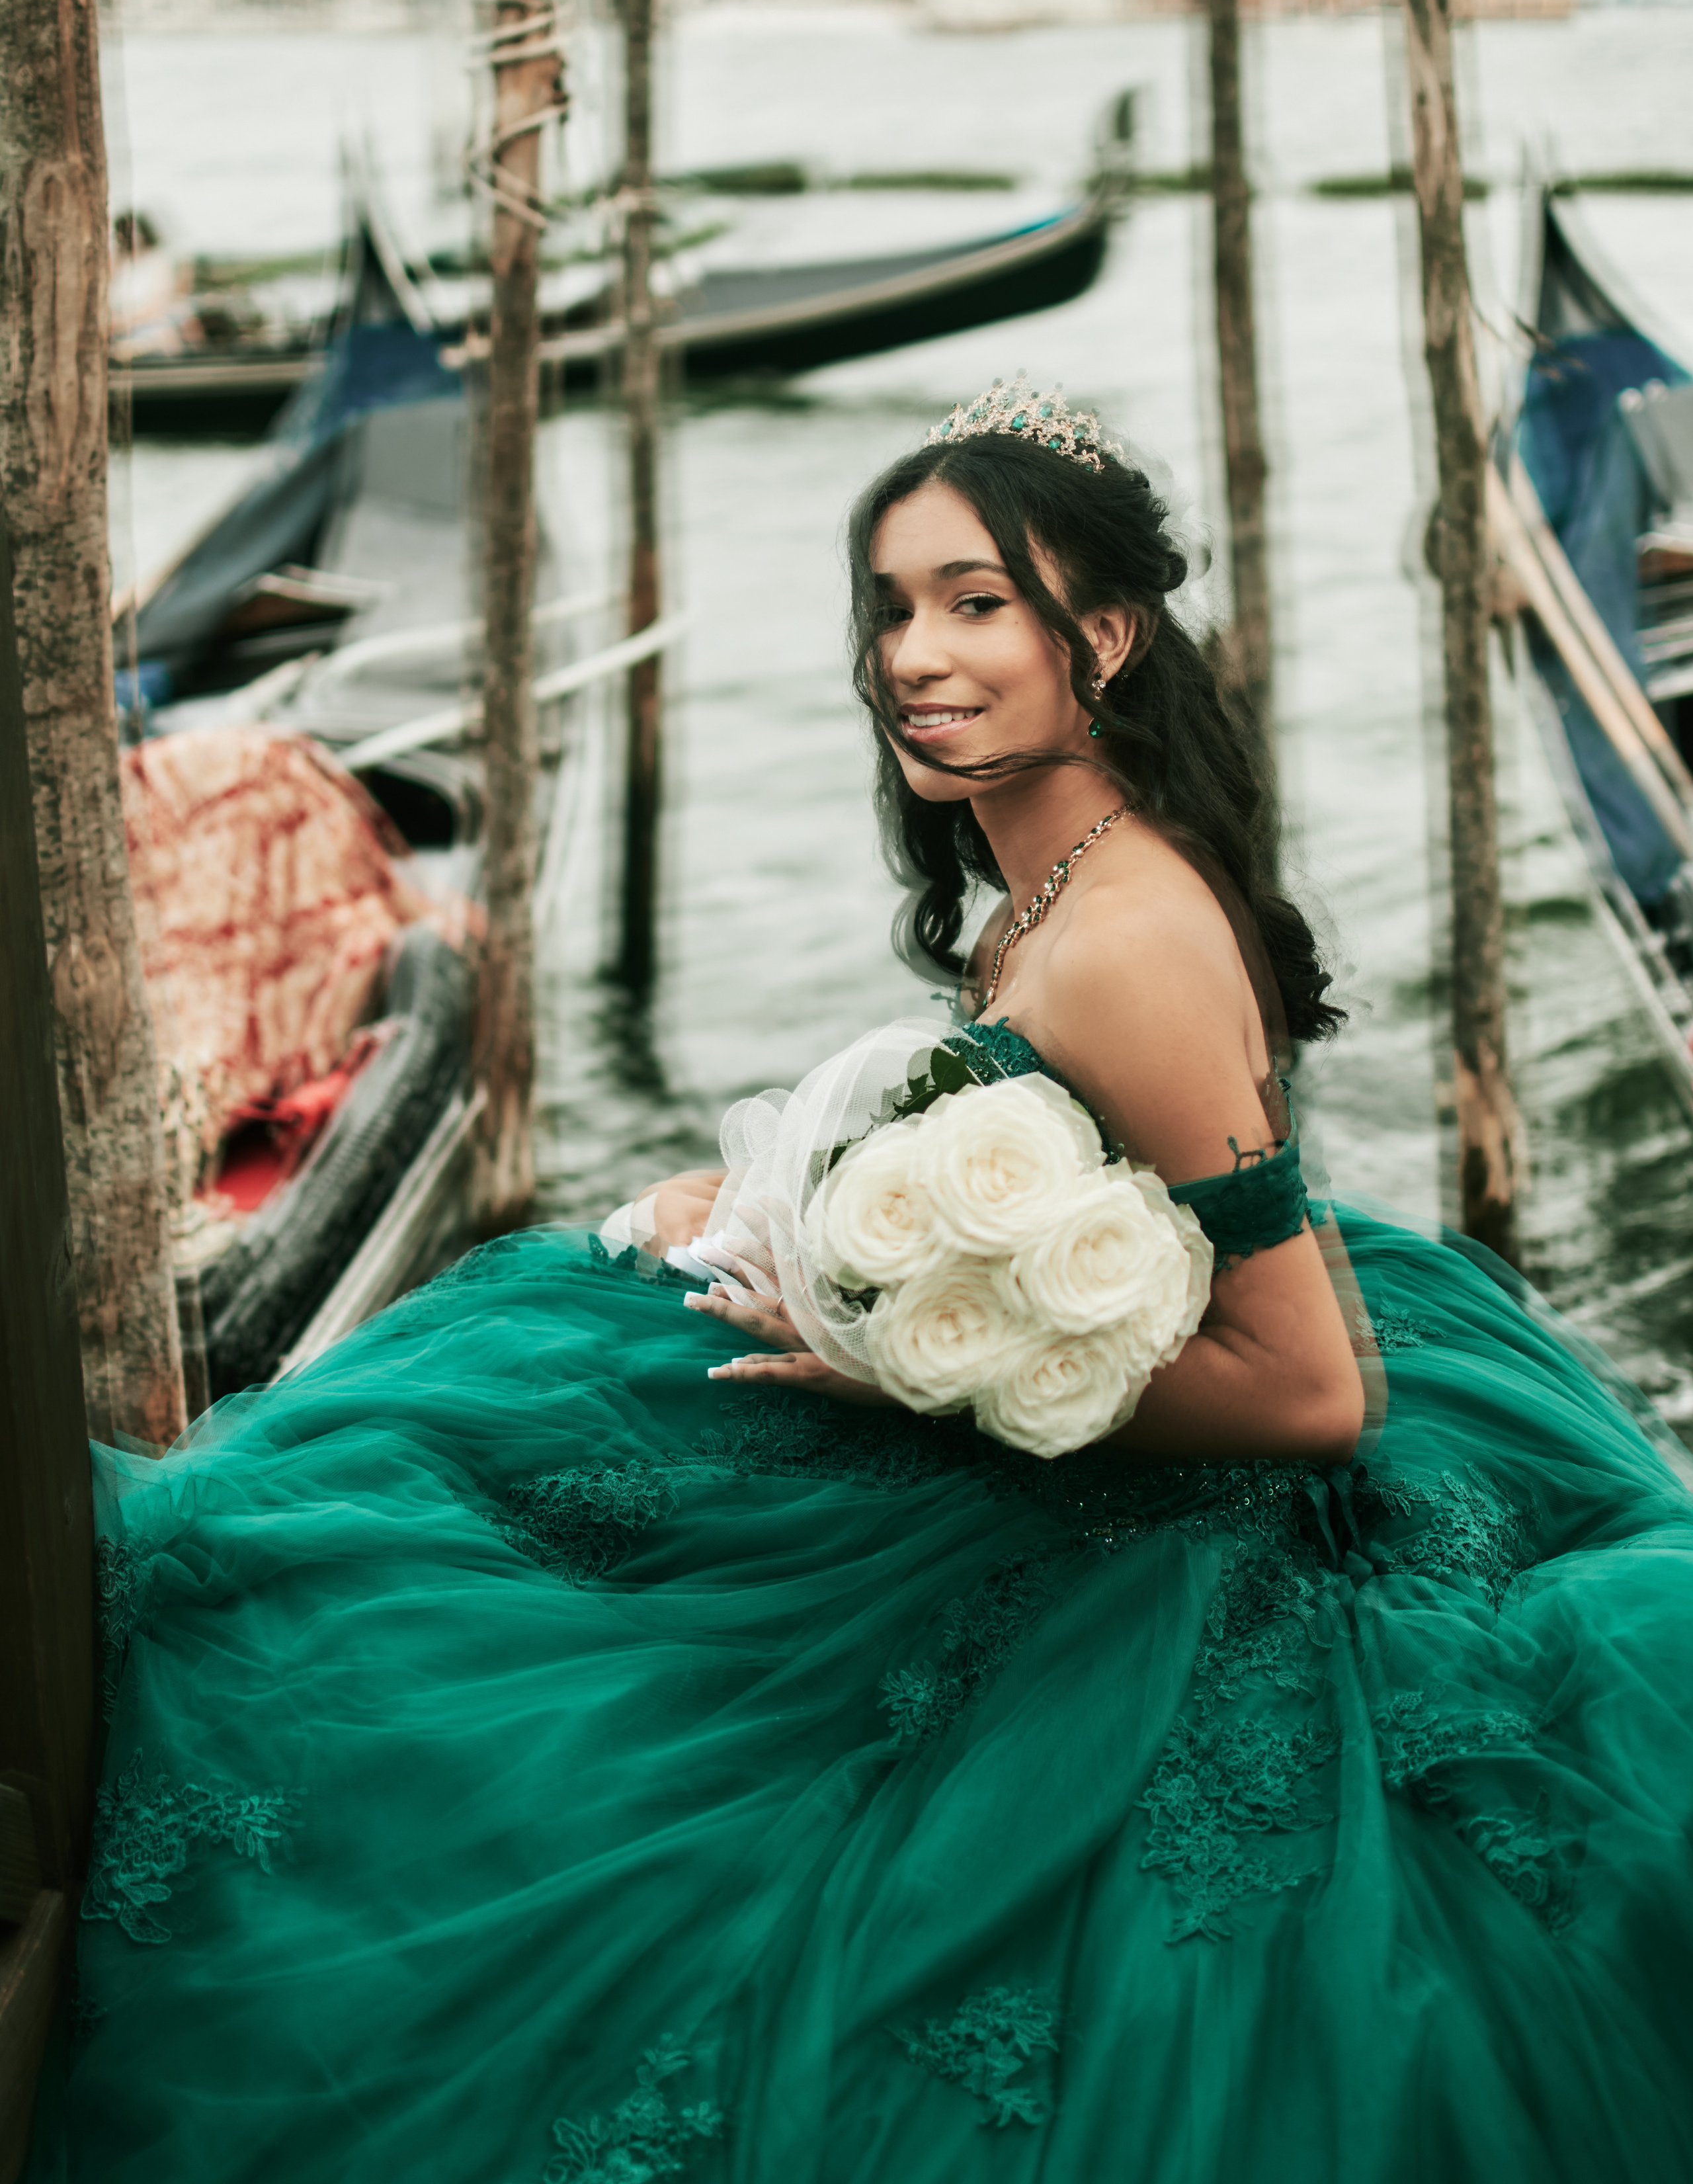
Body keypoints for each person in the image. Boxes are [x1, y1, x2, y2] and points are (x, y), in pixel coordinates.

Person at [34, 381, 1693, 2184]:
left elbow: (1312, 1394)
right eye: (890, 607)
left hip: (1154, 1507)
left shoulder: (1127, 933)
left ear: (1106, 638)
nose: (915, 653)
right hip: (1059, 1397)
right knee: (443, 1454)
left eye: (977, 603)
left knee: (388, 1586)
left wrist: (912, 1364)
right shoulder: (1050, 873)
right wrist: (778, 1197)